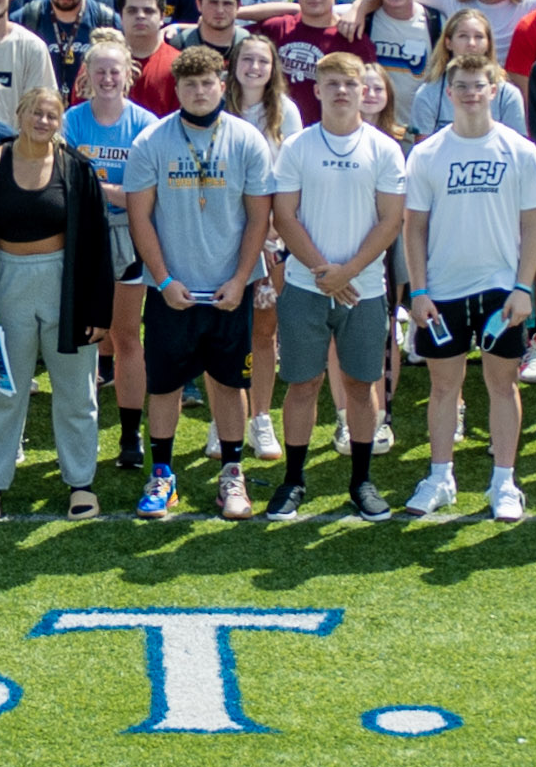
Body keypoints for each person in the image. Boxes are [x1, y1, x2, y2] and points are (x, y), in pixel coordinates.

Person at [122, 48, 276, 520]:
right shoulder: (152, 140)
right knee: (165, 385)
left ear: (221, 81)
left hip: (230, 289)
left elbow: (258, 218)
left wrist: (240, 278)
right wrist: (164, 279)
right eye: (189, 85)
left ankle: (232, 473)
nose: (199, 91)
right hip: (173, 291)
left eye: (207, 83)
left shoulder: (247, 139)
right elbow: (139, 216)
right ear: (177, 88)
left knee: (229, 384)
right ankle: (162, 474)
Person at [392, 60, 536, 522]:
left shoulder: (519, 150)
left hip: (501, 292)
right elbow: (413, 227)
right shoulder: (427, 153)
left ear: (495, 89)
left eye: (478, 86)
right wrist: (418, 291)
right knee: (444, 388)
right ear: (450, 92)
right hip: (442, 293)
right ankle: (440, 477)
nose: (470, 94)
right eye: (461, 87)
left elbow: (535, 224)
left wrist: (524, 288)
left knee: (503, 385)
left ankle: (504, 482)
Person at [263, 55, 409, 516]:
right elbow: (283, 215)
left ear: (364, 90)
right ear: (318, 90)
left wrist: (348, 272)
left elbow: (391, 221)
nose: (343, 91)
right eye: (333, 84)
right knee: (302, 384)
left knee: (361, 385)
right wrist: (325, 270)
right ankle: (293, 480)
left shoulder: (384, 149)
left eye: (351, 83)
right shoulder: (299, 147)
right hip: (306, 287)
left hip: (363, 290)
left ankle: (361, 481)